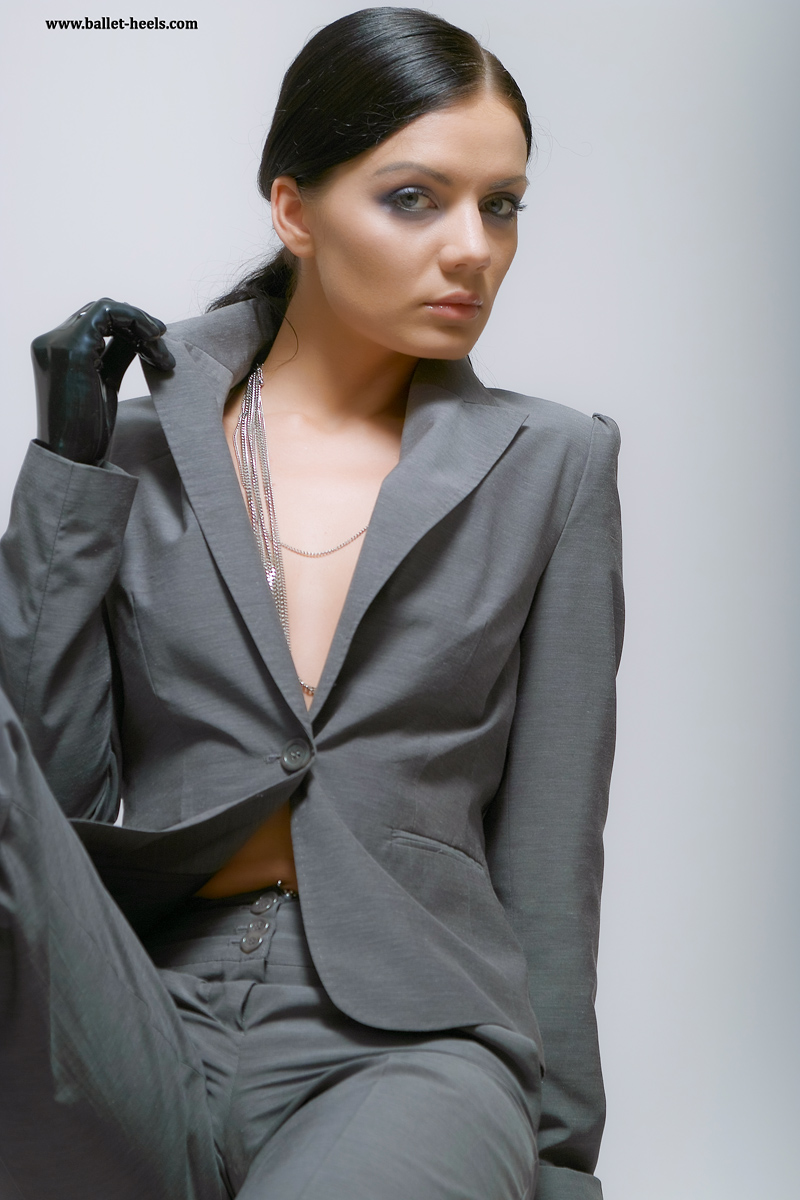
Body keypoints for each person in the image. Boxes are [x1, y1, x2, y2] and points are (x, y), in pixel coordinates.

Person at [0, 7, 623, 1199]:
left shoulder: (551, 467)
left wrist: (556, 1162)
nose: (471, 248)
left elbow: (553, 853)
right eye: (414, 198)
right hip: (133, 1014)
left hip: (414, 1043)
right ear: (294, 210)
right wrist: (68, 472)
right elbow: (46, 803)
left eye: (499, 205)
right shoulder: (133, 455)